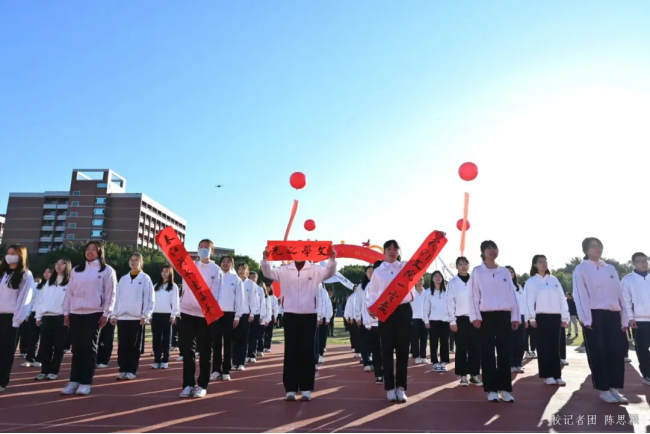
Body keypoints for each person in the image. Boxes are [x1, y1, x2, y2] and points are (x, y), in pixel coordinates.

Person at [261, 245, 337, 402]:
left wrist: (331, 259)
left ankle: (306, 388)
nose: (299, 254)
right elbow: (268, 273)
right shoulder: (284, 270)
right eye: (296, 250)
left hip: (309, 314)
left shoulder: (314, 269)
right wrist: (265, 259)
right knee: (291, 351)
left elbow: (329, 273)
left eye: (302, 250)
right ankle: (290, 388)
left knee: (307, 351)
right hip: (290, 314)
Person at [573, 237, 629, 404]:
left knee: (616, 352)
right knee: (599, 352)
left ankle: (615, 388)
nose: (597, 249)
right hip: (594, 315)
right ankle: (604, 390)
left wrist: (624, 318)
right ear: (586, 250)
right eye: (593, 246)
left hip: (613, 315)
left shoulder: (610, 268)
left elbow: (619, 294)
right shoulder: (581, 269)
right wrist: (586, 319)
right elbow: (580, 295)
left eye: (599, 246)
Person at [61, 241, 117, 396]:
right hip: (75, 312)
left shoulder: (107, 270)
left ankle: (85, 382)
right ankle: (74, 381)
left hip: (94, 313)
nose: (90, 251)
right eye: (87, 249)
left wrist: (106, 313)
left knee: (89, 347)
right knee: (76, 348)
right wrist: (66, 312)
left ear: (100, 252)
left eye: (94, 249)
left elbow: (111, 293)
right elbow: (69, 293)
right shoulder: (76, 270)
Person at [469, 240, 520, 403]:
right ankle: (491, 389)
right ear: (483, 252)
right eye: (488, 249)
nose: (492, 251)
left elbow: (512, 295)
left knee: (505, 352)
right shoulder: (477, 271)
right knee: (488, 353)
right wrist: (475, 316)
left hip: (504, 316)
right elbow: (473, 295)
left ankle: (505, 389)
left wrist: (515, 316)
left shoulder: (504, 271)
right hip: (486, 316)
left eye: (494, 248)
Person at [366, 240, 416, 404]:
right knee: (386, 350)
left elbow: (422, 261)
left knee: (403, 351)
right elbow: (373, 293)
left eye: (395, 249)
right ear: (384, 252)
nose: (392, 252)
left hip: (404, 310)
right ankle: (389, 387)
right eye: (389, 249)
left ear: (399, 252)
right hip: (386, 312)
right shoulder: (379, 272)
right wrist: (371, 308)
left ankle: (401, 387)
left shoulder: (405, 267)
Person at [179, 239, 223, 399]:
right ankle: (188, 384)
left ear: (212, 251)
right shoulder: (189, 266)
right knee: (187, 351)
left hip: (205, 314)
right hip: (187, 312)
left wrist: (210, 310)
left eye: (207, 247)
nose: (203, 249)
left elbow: (216, 292)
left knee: (205, 350)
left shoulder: (216, 270)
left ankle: (202, 385)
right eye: (201, 247)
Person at [525, 255, 569, 386]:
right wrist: (531, 317)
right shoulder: (532, 281)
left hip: (555, 317)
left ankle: (557, 375)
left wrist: (565, 317)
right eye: (540, 262)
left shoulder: (554, 280)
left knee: (555, 346)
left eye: (545, 262)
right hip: (541, 317)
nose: (543, 264)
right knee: (543, 347)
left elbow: (562, 299)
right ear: (534, 265)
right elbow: (528, 300)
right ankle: (547, 375)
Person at [110, 253, 155, 381]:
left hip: (136, 318)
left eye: (136, 260)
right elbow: (117, 297)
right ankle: (123, 369)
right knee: (122, 345)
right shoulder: (123, 279)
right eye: (131, 260)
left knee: (134, 346)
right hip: (122, 317)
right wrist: (114, 314)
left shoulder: (145, 278)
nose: (133, 262)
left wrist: (145, 315)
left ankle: (131, 370)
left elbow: (149, 298)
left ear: (141, 262)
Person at [0, 245, 34, 393]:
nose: (9, 256)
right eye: (8, 253)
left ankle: (2, 381)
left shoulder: (25, 274)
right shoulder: (2, 272)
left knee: (5, 351)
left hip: (11, 318)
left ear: (20, 256)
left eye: (13, 253)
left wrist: (17, 320)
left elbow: (25, 298)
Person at [447, 257, 482, 387]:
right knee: (461, 348)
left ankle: (474, 374)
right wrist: (452, 321)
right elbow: (450, 302)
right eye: (460, 264)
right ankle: (462, 375)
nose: (463, 266)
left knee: (475, 348)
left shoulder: (475, 281)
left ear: (469, 265)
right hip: (460, 319)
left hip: (474, 319)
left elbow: (481, 299)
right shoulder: (452, 283)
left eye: (465, 263)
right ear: (456, 267)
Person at [35, 259, 71, 381]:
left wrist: (68, 316)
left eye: (62, 264)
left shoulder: (70, 282)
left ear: (67, 266)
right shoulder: (49, 282)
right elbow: (42, 300)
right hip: (47, 316)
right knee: (45, 345)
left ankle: (53, 370)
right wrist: (38, 316)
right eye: (56, 264)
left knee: (58, 345)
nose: (58, 266)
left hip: (60, 317)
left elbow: (70, 301)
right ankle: (44, 370)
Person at [211, 255, 244, 383]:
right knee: (216, 343)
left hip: (230, 314)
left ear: (232, 264)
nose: (225, 263)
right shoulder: (215, 277)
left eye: (228, 262)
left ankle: (226, 371)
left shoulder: (236, 279)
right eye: (223, 261)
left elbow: (240, 299)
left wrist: (237, 316)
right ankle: (216, 370)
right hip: (216, 314)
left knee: (228, 344)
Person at [622, 252, 650, 386]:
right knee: (642, 349)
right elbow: (625, 300)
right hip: (639, 320)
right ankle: (647, 374)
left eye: (646, 260)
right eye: (640, 261)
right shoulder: (627, 280)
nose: (644, 263)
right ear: (633, 263)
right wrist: (630, 317)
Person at [233, 263, 260, 372]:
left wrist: (252, 314)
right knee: (234, 339)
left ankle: (241, 362)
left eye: (243, 269)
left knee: (243, 339)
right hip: (234, 314)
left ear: (247, 272)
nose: (241, 271)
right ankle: (234, 362)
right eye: (239, 269)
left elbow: (254, 300)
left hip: (245, 314)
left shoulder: (251, 284)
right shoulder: (234, 281)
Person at [151, 265, 179, 370]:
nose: (164, 273)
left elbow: (175, 302)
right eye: (162, 271)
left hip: (167, 315)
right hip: (156, 315)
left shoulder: (173, 286)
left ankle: (165, 360)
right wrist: (150, 314)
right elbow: (151, 301)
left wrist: (173, 315)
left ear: (170, 273)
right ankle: (157, 360)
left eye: (166, 271)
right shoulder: (155, 286)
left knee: (166, 339)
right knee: (156, 338)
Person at [21, 267, 50, 368]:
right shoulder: (37, 286)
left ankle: (39, 359)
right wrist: (28, 313)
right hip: (34, 313)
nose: (46, 274)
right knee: (32, 337)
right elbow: (31, 300)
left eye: (49, 272)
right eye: (45, 272)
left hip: (46, 314)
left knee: (44, 338)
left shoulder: (53, 287)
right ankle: (30, 359)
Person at [362, 260, 385, 385]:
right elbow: (365, 306)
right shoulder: (369, 286)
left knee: (387, 349)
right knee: (377, 350)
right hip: (375, 324)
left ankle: (387, 373)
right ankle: (379, 374)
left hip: (388, 323)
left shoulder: (389, 283)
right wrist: (367, 323)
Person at [424, 271, 452, 372]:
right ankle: (435, 362)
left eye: (440, 276)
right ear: (432, 279)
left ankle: (443, 362)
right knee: (434, 342)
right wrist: (426, 320)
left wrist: (451, 319)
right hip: (433, 321)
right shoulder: (428, 292)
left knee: (444, 342)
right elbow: (426, 307)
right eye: (435, 276)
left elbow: (450, 305)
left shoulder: (447, 291)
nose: (437, 278)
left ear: (442, 278)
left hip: (445, 321)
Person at [506, 266, 528, 374]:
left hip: (521, 316)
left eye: (512, 272)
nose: (510, 274)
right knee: (510, 341)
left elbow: (524, 303)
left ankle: (518, 364)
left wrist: (526, 319)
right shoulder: (503, 286)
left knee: (520, 342)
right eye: (507, 272)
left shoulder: (519, 287)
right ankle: (511, 364)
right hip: (508, 317)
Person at [354, 269, 374, 372]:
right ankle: (366, 361)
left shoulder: (379, 284)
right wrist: (358, 317)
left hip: (375, 318)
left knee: (374, 341)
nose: (371, 273)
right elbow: (358, 303)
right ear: (365, 273)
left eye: (373, 271)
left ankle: (375, 361)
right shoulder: (361, 287)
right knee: (364, 340)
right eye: (369, 271)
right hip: (364, 317)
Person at [246, 272, 266, 364]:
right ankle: (246, 354)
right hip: (246, 313)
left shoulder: (260, 289)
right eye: (251, 277)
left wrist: (262, 316)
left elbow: (263, 303)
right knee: (246, 335)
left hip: (256, 314)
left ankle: (252, 354)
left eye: (254, 277)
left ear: (257, 278)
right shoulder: (245, 286)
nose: (253, 279)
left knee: (254, 336)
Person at [410, 277, 428, 365]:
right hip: (414, 318)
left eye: (421, 280)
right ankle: (416, 356)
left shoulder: (427, 292)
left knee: (424, 338)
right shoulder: (411, 291)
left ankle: (423, 356)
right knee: (415, 338)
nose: (420, 282)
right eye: (418, 280)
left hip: (424, 318)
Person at [317, 284, 333, 367]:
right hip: (314, 318)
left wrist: (327, 318)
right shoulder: (310, 290)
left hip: (323, 318)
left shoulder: (324, 292)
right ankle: (314, 356)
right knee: (314, 339)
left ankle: (320, 355)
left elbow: (328, 305)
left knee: (322, 337)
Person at [345, 285, 361, 358]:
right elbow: (350, 308)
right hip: (355, 318)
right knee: (356, 335)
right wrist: (350, 317)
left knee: (360, 335)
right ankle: (357, 350)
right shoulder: (352, 297)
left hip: (361, 318)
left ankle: (360, 350)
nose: (356, 289)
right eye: (355, 288)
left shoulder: (361, 295)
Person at [264, 287, 278, 353]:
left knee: (269, 332)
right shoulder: (264, 296)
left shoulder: (273, 298)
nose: (267, 289)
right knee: (264, 331)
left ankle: (268, 346)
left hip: (271, 315)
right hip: (264, 315)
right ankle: (264, 345)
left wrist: (275, 317)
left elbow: (275, 308)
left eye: (268, 288)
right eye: (266, 288)